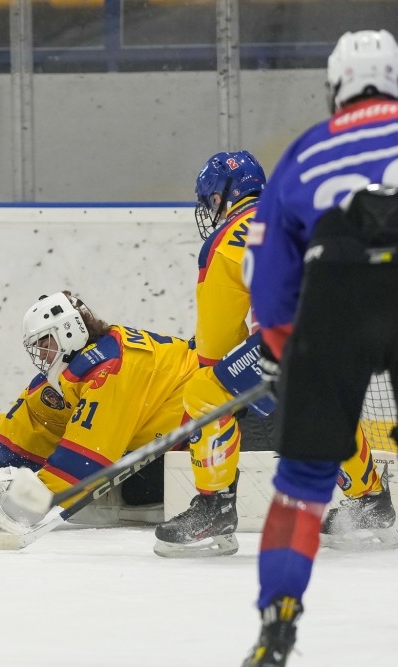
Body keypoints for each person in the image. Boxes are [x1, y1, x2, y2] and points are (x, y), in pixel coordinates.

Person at [241, 29, 398, 667]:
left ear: (336, 87)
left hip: (336, 293)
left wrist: (284, 349)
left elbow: (266, 275)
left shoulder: (307, 150)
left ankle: (276, 624)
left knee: (302, 485)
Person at [0, 291, 199, 535]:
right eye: (37, 347)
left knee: (137, 491)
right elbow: (35, 421)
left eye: (45, 343)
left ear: (69, 331)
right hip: (169, 433)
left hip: (207, 430)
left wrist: (30, 502)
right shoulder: (82, 364)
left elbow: (88, 455)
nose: (42, 355)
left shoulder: (112, 370)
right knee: (120, 488)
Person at [153, 150, 274, 557]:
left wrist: (222, 389)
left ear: (224, 195)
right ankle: (371, 503)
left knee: (205, 391)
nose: (210, 209)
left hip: (285, 340)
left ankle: (214, 511)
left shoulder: (225, 241)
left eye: (211, 200)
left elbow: (215, 348)